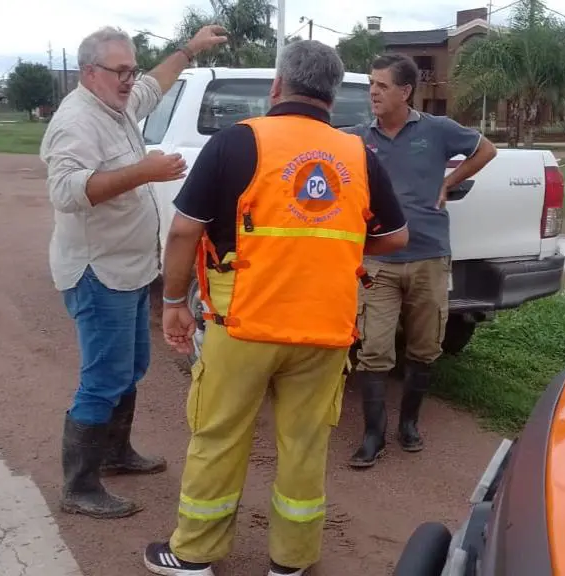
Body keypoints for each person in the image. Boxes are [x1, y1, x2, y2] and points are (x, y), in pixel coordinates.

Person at [142, 40, 409, 576]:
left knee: (218, 435)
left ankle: (194, 554)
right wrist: (331, 245)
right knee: (306, 445)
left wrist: (174, 300)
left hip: (244, 324)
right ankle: (291, 562)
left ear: (276, 86)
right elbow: (395, 237)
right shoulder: (358, 155)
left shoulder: (235, 143)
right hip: (325, 330)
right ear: (333, 96)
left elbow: (184, 230)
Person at [40, 24, 228, 520]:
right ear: (89, 73)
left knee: (131, 367)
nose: (130, 80)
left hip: (127, 268)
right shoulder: (75, 121)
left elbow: (154, 84)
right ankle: (79, 485)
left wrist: (189, 49)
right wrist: (144, 172)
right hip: (97, 271)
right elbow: (65, 190)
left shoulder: (117, 103)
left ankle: (115, 454)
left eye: (130, 70)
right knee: (103, 377)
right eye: (120, 71)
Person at [343, 53, 498, 469]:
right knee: (373, 348)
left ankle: (408, 424)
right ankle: (373, 434)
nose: (373, 91)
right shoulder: (357, 138)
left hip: (430, 255)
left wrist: (449, 182)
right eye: (371, 84)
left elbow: (486, 150)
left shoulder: (438, 131)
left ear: (405, 91)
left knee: (425, 347)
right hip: (377, 259)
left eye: (382, 85)